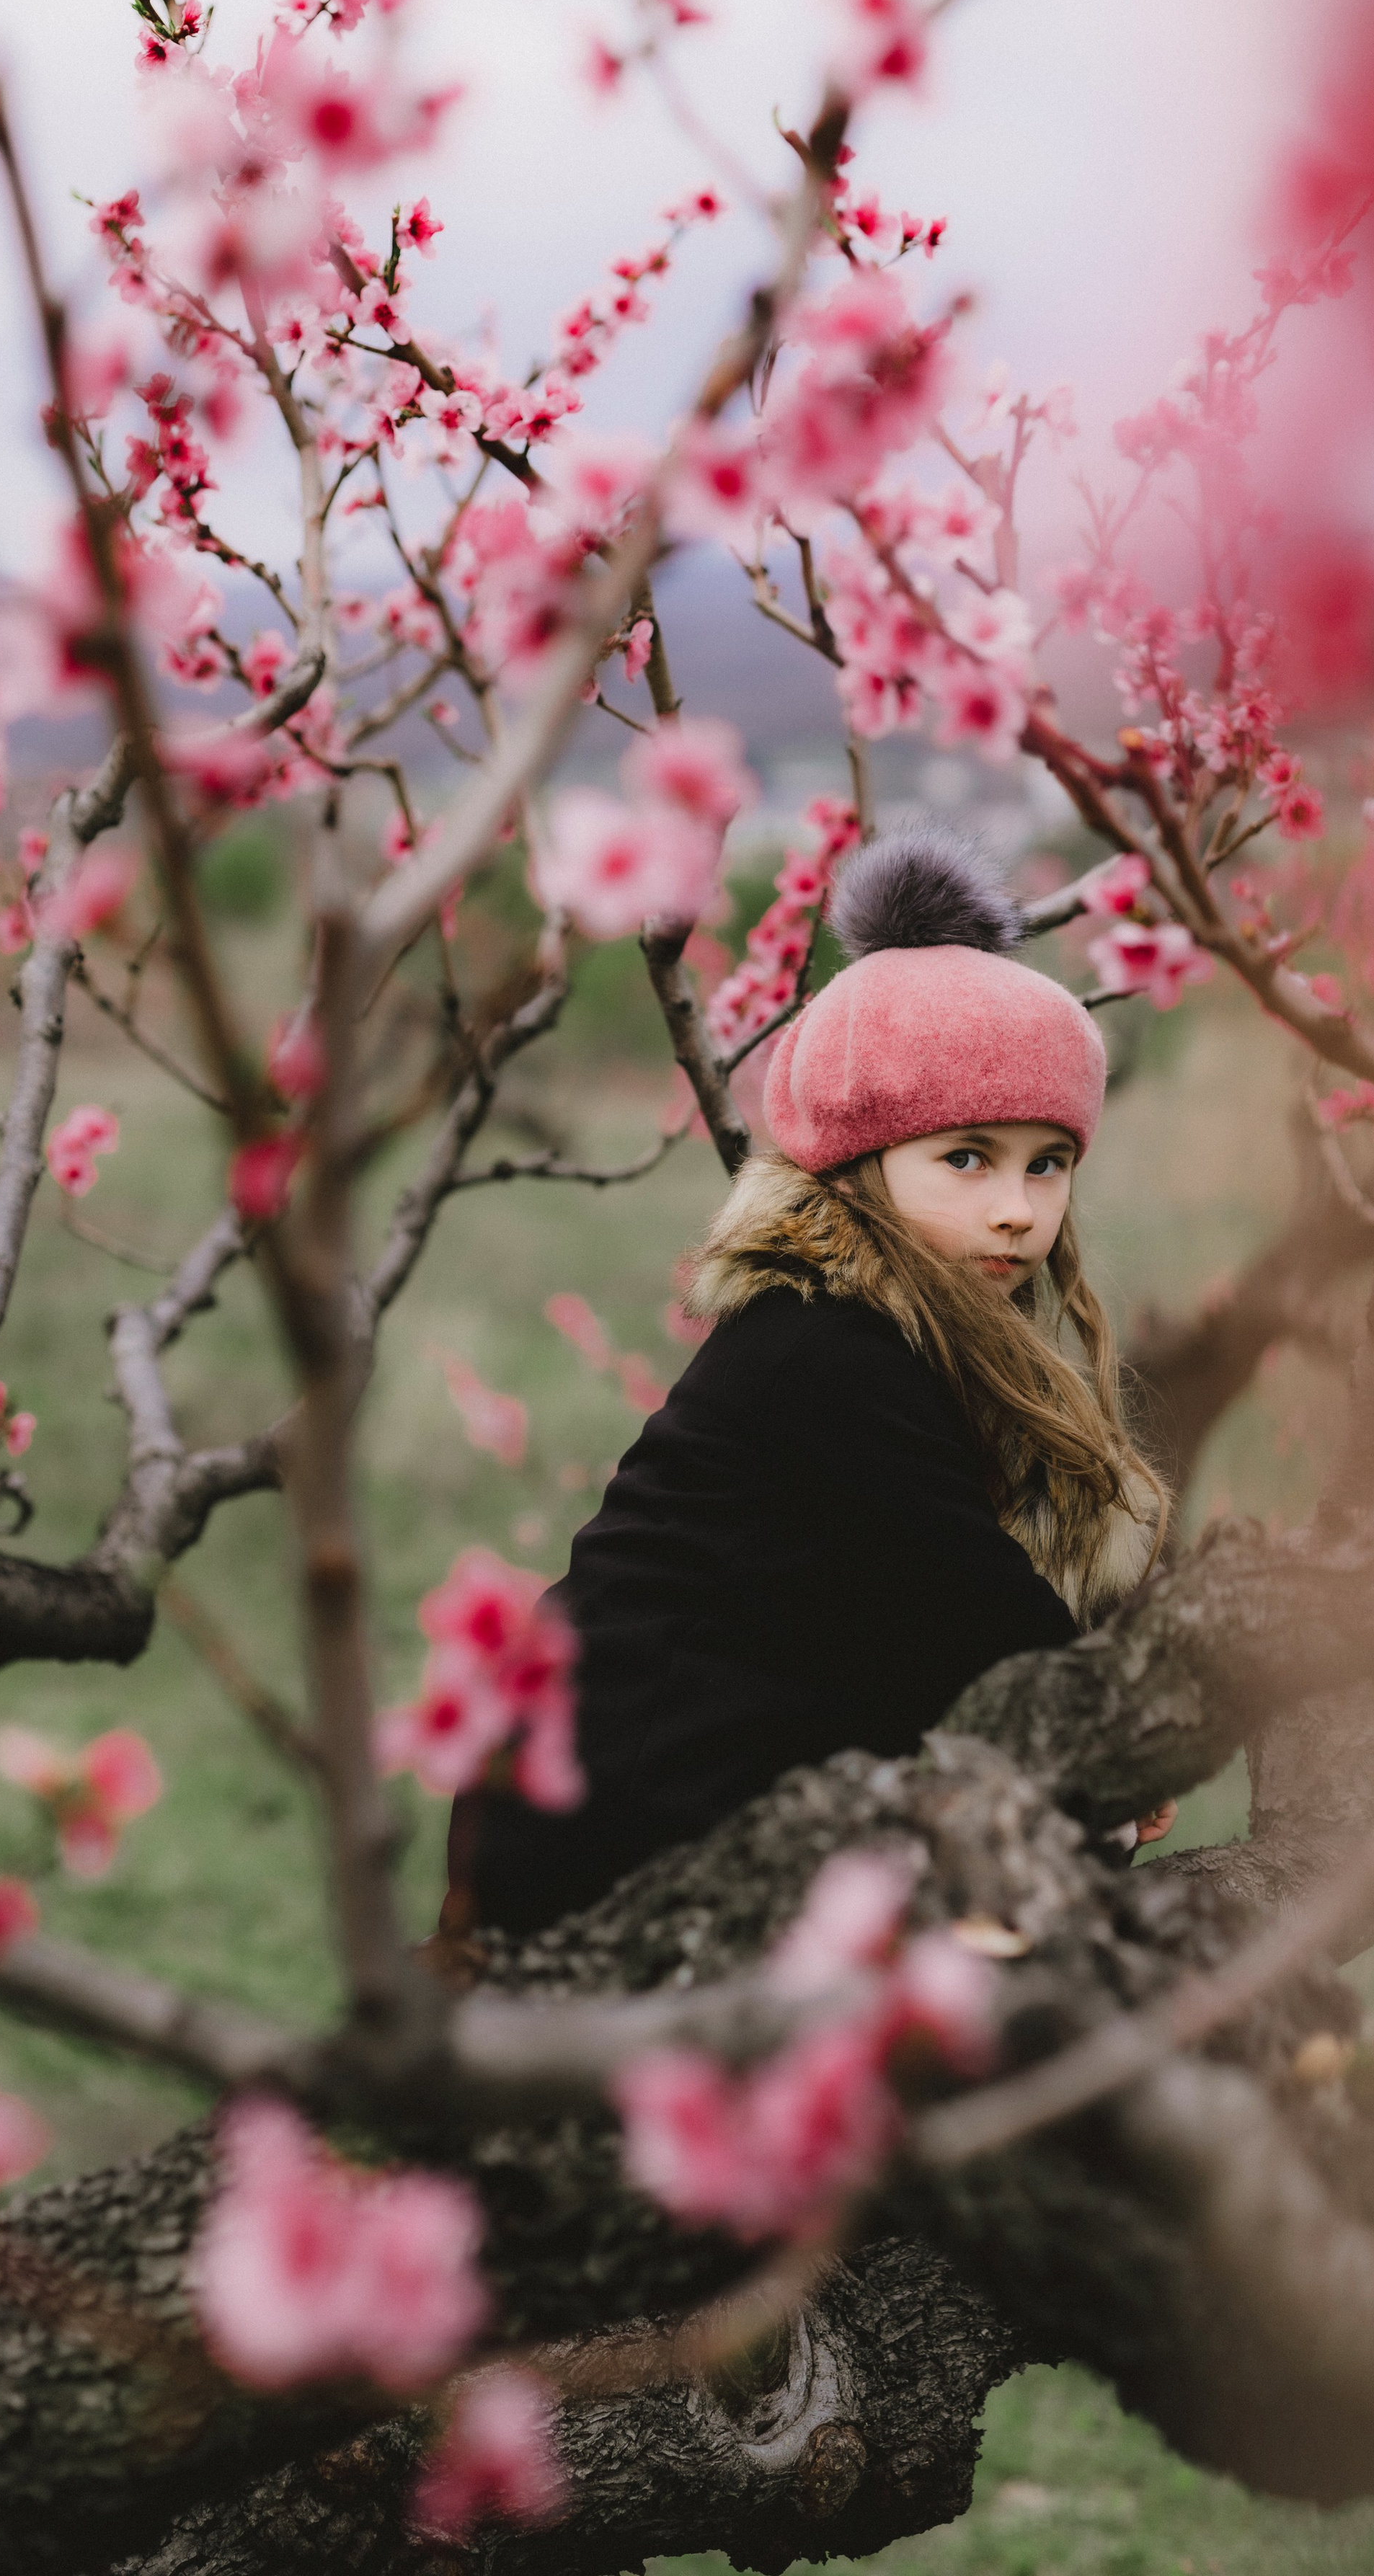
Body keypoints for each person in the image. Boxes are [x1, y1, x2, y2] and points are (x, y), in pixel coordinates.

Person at [463, 825, 1171, 1937]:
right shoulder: (824, 1347)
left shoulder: (890, 1337)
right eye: (968, 1157)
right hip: (612, 1823)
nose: (1017, 1209)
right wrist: (1124, 1738)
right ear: (860, 1160)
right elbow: (984, 1627)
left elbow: (897, 1629)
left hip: (687, 1784)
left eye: (1050, 1164)